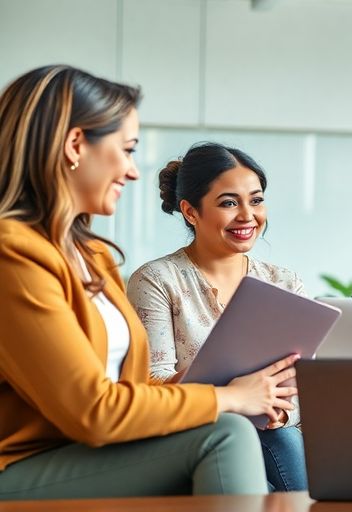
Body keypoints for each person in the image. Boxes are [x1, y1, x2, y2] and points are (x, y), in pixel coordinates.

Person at [0, 66, 296, 499]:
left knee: (239, 429)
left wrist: (244, 391)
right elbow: (94, 410)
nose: (133, 171)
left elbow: (133, 388)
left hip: (93, 453)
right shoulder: (14, 254)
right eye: (126, 150)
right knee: (225, 433)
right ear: (75, 146)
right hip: (27, 465)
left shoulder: (92, 255)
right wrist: (227, 399)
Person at [126, 142, 307, 492]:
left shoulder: (283, 282)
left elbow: (303, 385)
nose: (247, 216)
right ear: (191, 212)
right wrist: (234, 394)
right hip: (194, 430)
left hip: (272, 433)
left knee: (282, 439)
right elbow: (149, 382)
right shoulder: (156, 279)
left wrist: (279, 411)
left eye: (256, 200)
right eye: (228, 203)